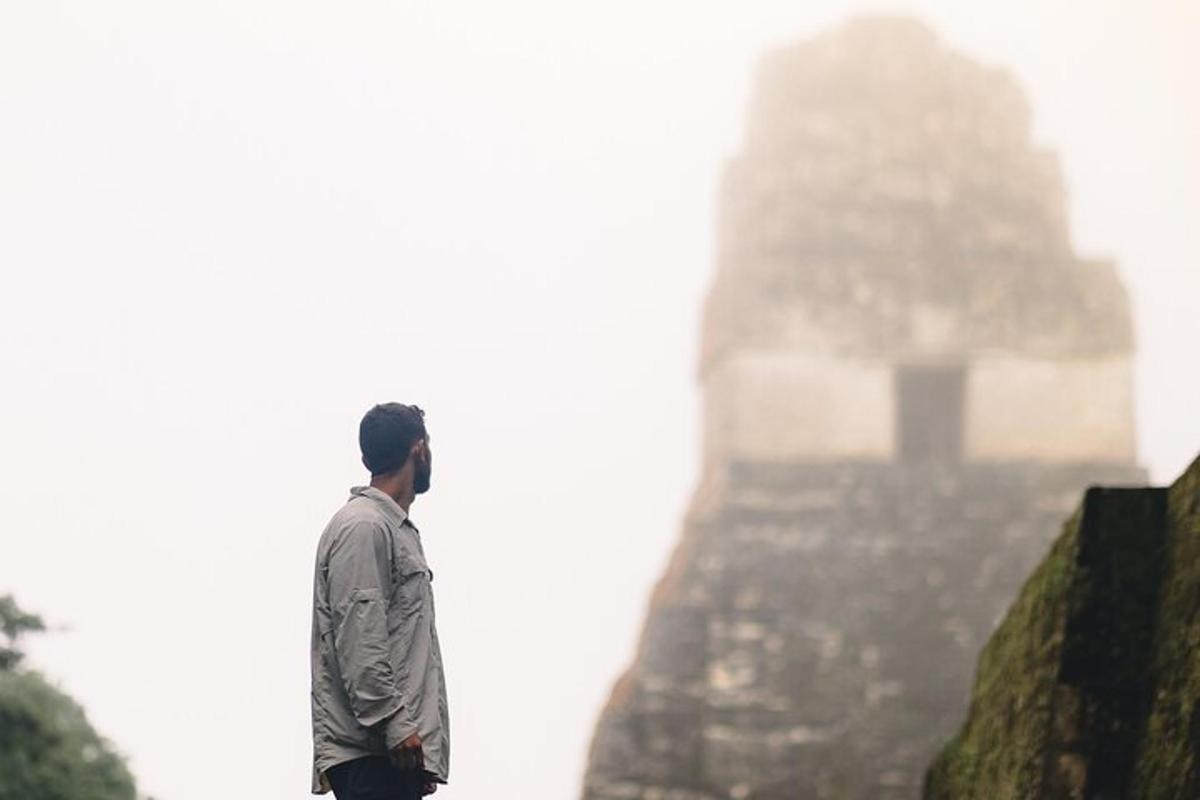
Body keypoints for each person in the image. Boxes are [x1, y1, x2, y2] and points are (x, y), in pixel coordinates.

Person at [310, 403, 449, 799]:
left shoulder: (390, 527)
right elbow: (360, 636)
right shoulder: (365, 527)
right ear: (418, 449)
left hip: (393, 757)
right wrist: (395, 724)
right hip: (373, 758)